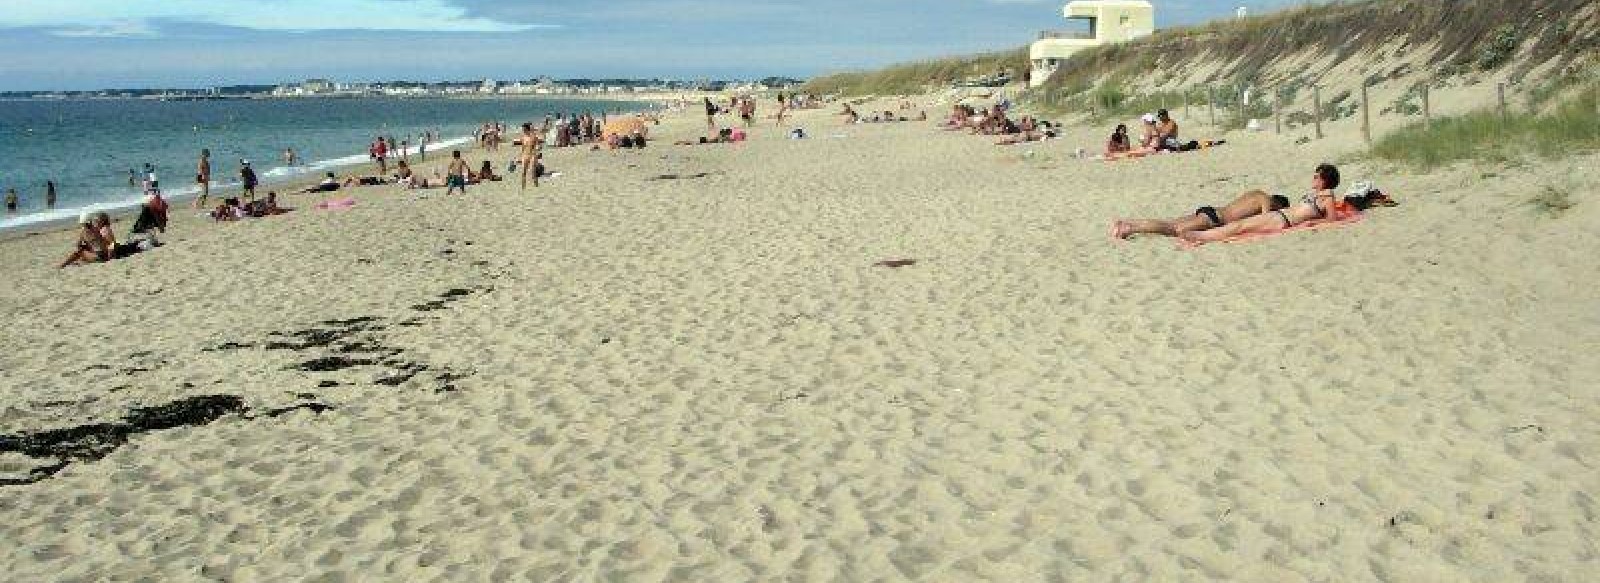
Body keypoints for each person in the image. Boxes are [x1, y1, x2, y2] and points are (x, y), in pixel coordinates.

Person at [1180, 164, 1342, 244]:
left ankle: (1201, 236)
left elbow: (1332, 219)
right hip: (1280, 216)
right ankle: (1203, 236)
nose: (1313, 179)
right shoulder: (1316, 194)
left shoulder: (1328, 195)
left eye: (1316, 177)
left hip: (1282, 220)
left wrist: (1313, 222)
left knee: (1240, 227)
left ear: (1325, 181)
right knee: (1240, 225)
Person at [1112, 190, 1291, 239]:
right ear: (1278, 204)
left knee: (1169, 222)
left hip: (1212, 211)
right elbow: (1264, 220)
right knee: (1173, 229)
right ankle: (1129, 229)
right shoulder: (1265, 199)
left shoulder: (1255, 192)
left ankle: (1126, 223)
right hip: (1215, 219)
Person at [518, 122, 541, 190]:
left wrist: (537, 150)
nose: (523, 130)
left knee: (532, 173)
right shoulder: (522, 138)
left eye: (524, 129)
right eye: (522, 129)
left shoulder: (533, 137)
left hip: (532, 155)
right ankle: (523, 188)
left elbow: (539, 145)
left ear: (527, 129)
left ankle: (536, 187)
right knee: (523, 172)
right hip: (525, 155)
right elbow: (523, 148)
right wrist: (520, 157)